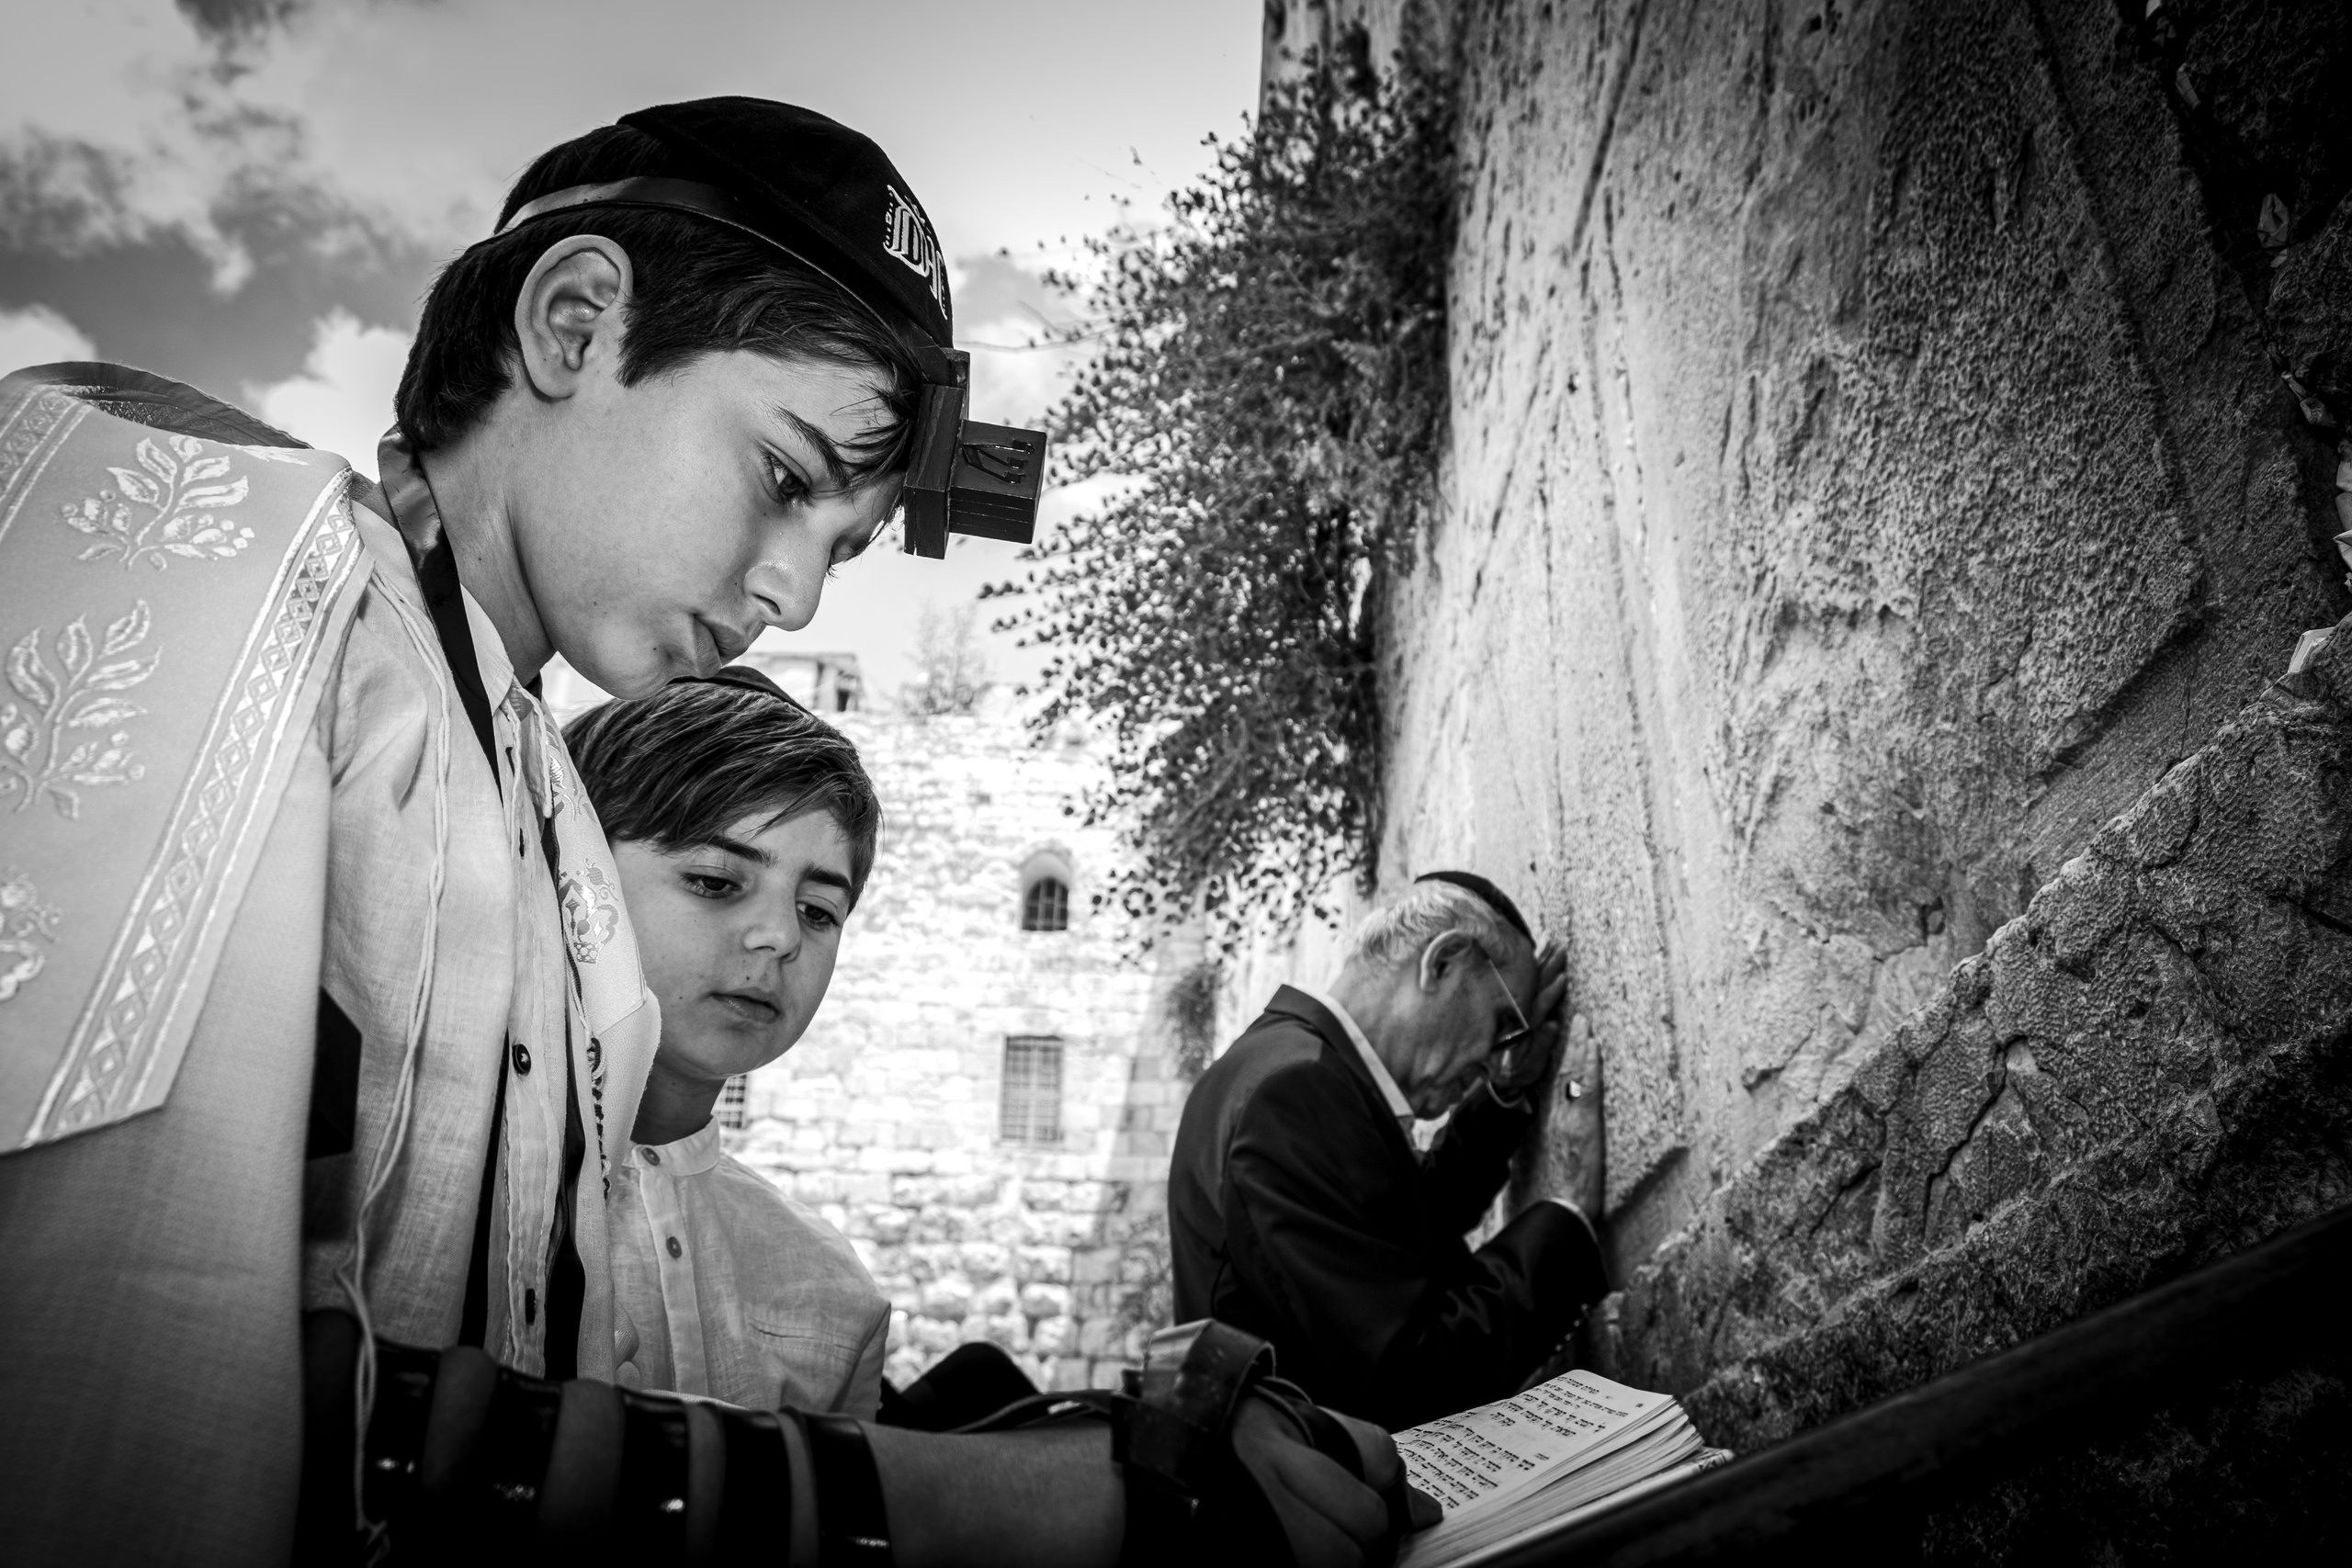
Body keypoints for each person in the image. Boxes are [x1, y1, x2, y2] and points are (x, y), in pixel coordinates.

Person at [0, 98, 1407, 1565]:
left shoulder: (536, 792)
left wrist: (1013, 1434)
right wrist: (1028, 1503)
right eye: (785, 479)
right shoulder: (196, 537)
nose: (795, 596)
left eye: (843, 544)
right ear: (577, 322)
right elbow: (133, 1397)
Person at [1170, 873, 1611, 1431]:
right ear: (1444, 962)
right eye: (1503, 1023)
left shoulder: (1284, 1065)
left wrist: (1503, 1095)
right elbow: (1409, 1374)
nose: (1492, 1055)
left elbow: (1385, 1237)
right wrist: (1566, 1212)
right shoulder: (1295, 1091)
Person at [566, 667, 889, 1416]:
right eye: (715, 880)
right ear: (575, 875)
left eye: (817, 910)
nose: (779, 937)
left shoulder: (834, 1294)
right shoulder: (467, 1216)